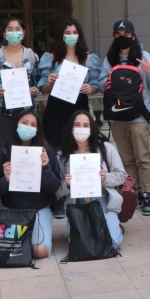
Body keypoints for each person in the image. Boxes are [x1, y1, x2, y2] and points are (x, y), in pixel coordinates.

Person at [98, 20, 150, 215]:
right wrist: (112, 78)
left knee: (142, 158)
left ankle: (147, 194)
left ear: (133, 36)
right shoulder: (110, 59)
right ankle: (131, 193)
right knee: (126, 159)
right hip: (117, 116)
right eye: (117, 34)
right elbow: (101, 84)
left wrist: (149, 72)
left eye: (125, 33)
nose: (122, 37)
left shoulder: (144, 57)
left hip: (138, 117)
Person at [38, 18, 101, 218]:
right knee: (56, 153)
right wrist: (49, 81)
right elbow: (43, 88)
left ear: (79, 35)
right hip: (56, 110)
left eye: (74, 32)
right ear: (61, 35)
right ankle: (57, 199)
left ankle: (80, 193)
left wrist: (90, 89)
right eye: (67, 32)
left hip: (78, 110)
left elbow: (96, 85)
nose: (71, 36)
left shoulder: (90, 59)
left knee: (78, 149)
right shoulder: (50, 58)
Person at [0, 110, 62, 259]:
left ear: (38, 129)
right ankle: (23, 240)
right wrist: (6, 179)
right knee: (7, 253)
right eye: (24, 123)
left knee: (39, 251)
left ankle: (28, 240)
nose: (28, 127)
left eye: (33, 125)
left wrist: (45, 168)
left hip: (39, 209)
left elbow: (54, 186)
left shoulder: (45, 151)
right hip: (12, 210)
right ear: (16, 125)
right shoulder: (4, 151)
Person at [58, 110, 126, 249]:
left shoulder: (106, 148)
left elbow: (121, 175)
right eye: (77, 125)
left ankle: (113, 224)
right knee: (82, 245)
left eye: (85, 125)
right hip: (77, 204)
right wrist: (67, 185)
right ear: (71, 127)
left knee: (112, 244)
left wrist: (105, 177)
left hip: (103, 200)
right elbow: (57, 191)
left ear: (92, 128)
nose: (81, 129)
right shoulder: (62, 156)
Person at [0, 16, 40, 151]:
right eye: (10, 30)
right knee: (4, 154)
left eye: (17, 29)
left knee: (25, 153)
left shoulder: (32, 57)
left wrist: (35, 90)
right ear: (4, 34)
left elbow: (38, 83)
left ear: (23, 33)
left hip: (27, 115)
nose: (14, 33)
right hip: (1, 114)